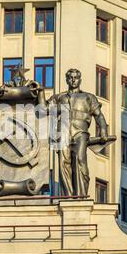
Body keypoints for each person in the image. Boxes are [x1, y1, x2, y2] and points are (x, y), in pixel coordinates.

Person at [48, 68, 108, 196]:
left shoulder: (88, 97)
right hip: (63, 131)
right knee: (64, 163)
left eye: (76, 78)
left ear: (80, 80)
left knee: (80, 159)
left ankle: (81, 196)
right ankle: (69, 196)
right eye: (71, 78)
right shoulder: (58, 97)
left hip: (80, 132)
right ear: (67, 80)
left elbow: (99, 116)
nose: (73, 80)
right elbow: (43, 109)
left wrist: (103, 130)